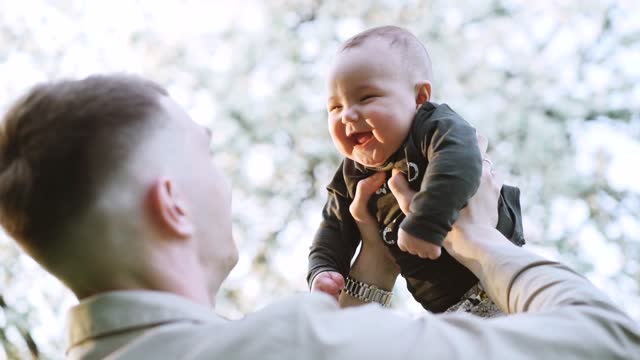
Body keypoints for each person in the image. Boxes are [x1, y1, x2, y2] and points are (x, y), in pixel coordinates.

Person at [0, 75, 638, 359]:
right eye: (206, 153)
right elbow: (608, 343)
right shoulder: (293, 344)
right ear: (172, 203)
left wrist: (374, 262)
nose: (222, 180)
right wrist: (481, 241)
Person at [308, 25, 524, 313]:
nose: (348, 114)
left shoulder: (432, 128)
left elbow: (459, 161)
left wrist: (426, 221)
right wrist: (323, 270)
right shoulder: (351, 175)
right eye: (335, 107)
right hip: (447, 307)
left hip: (499, 276)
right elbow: (333, 227)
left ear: (420, 97)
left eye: (366, 97)